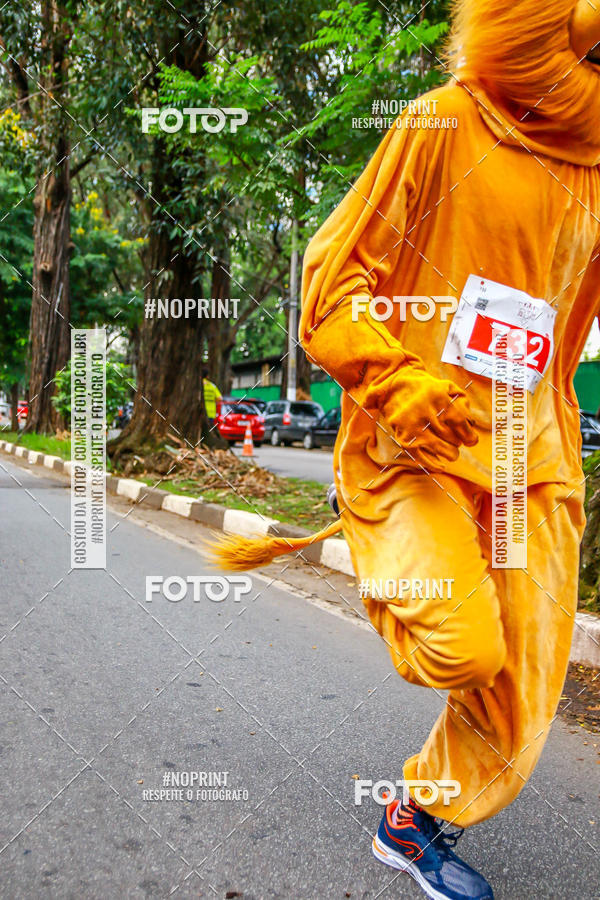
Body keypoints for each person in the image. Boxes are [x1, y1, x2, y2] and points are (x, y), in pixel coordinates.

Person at [207, 2, 600, 897]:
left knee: (527, 672)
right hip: (414, 444)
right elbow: (331, 278)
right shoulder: (444, 121)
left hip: (523, 456)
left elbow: (573, 329)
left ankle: (415, 816)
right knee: (463, 647)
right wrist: (398, 383)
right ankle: (382, 551)